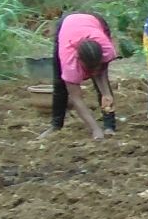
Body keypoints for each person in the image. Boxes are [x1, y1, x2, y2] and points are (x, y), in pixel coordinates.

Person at [50, 11, 118, 140]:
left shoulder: (106, 50)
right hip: (66, 25)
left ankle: (109, 126)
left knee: (104, 87)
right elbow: (77, 99)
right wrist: (95, 130)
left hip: (95, 21)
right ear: (79, 60)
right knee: (60, 83)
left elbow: (101, 73)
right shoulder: (70, 62)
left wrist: (106, 93)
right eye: (90, 68)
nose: (94, 71)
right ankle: (56, 126)